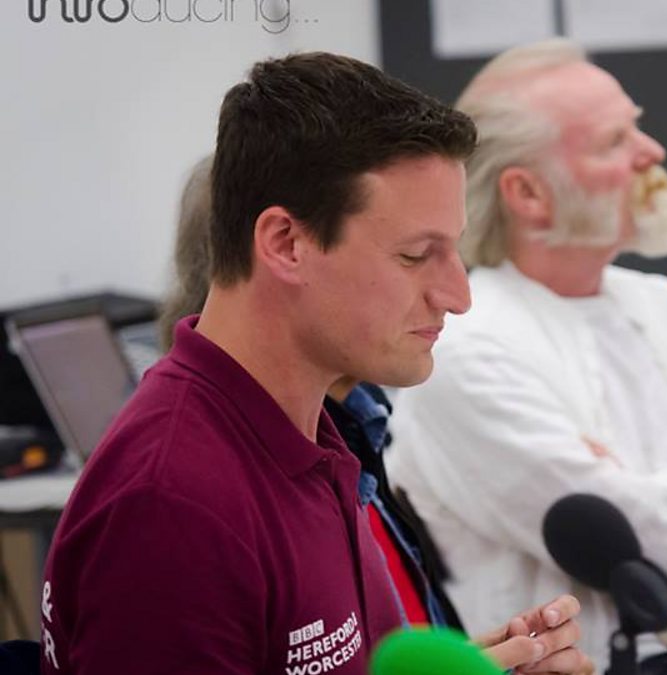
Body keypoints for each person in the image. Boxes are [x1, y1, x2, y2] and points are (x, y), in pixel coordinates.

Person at [41, 52, 586, 675]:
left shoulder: (305, 435)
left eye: (453, 250)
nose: (457, 296)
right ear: (286, 244)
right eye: (416, 255)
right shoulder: (172, 507)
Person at [388, 39, 667, 675]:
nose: (652, 152)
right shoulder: (469, 345)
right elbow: (642, 545)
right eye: (615, 141)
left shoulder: (664, 303)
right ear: (528, 194)